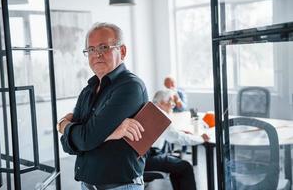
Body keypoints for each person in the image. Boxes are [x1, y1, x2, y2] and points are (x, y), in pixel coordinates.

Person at [57, 22, 148, 190]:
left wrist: (63, 125)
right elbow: (67, 145)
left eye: (104, 47)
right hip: (88, 185)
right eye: (91, 49)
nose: (96, 55)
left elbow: (85, 139)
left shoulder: (130, 87)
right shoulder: (88, 89)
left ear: (122, 51)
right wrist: (110, 133)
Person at [144, 90, 209, 190]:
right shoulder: (159, 116)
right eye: (171, 102)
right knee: (185, 167)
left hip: (145, 156)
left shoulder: (152, 111)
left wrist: (180, 132)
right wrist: (200, 139)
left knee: (177, 167)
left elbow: (171, 133)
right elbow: (177, 138)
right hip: (147, 158)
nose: (173, 105)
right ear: (161, 103)